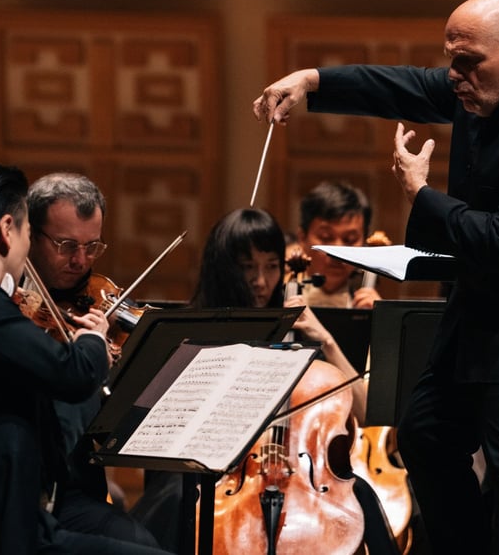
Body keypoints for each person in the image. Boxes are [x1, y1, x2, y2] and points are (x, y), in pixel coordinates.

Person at [254, 0, 499, 553]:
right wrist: (312, 81)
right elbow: (405, 84)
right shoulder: (486, 81)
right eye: (450, 58)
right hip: (484, 310)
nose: (453, 75)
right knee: (427, 438)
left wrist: (420, 193)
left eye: (466, 62)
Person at [0, 160, 167, 555]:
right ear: (6, 231)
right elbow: (73, 373)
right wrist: (94, 341)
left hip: (9, 514)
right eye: (30, 231)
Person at [135, 207, 397, 554]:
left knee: (358, 494)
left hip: (294, 473)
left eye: (271, 266)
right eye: (247, 268)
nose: (261, 281)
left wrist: (326, 341)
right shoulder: (191, 332)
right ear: (224, 270)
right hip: (206, 472)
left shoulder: (295, 331)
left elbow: (365, 414)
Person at [25, 173, 160, 548]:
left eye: (92, 246)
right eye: (67, 245)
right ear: (30, 235)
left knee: (146, 540)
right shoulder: (3, 303)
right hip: (22, 491)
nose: (81, 261)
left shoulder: (99, 301)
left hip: (77, 489)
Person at [293, 180, 383, 309]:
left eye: (350, 239)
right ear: (302, 238)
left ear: (364, 243)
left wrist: (382, 318)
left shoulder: (372, 307)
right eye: (326, 237)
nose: (337, 253)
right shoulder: (281, 299)